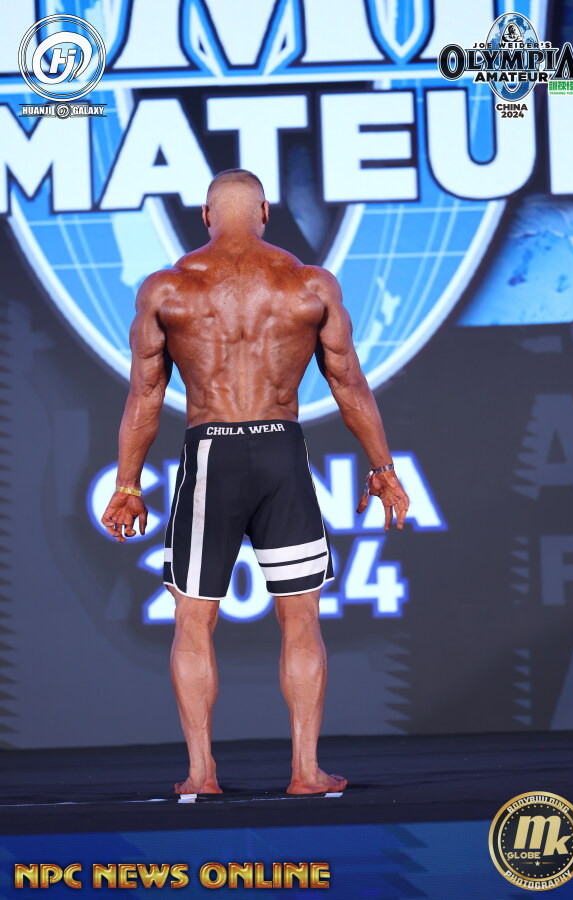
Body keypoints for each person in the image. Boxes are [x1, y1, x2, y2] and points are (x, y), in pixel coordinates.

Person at [101, 169, 410, 796]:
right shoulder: (309, 285)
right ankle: (305, 771)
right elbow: (348, 384)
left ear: (206, 215)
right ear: (266, 212)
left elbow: (145, 394)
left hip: (211, 452)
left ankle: (201, 773)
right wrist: (382, 468)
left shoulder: (168, 288)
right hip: (280, 452)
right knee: (301, 618)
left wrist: (128, 485)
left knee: (193, 620)